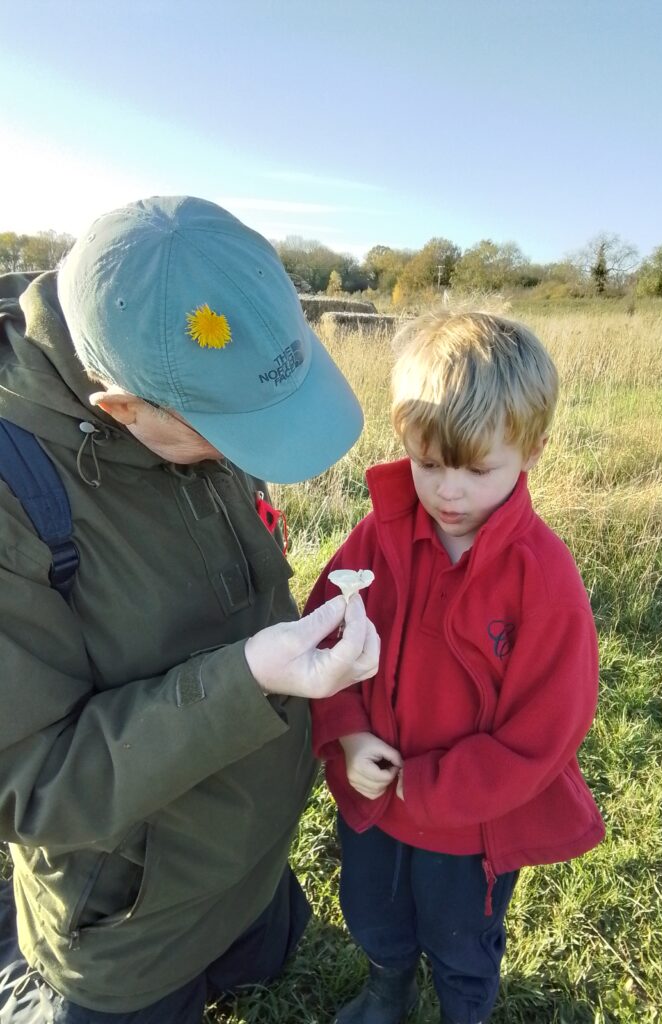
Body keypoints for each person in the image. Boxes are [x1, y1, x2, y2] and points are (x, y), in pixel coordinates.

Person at [0, 195, 380, 1022]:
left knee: (266, 955)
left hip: (248, 868)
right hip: (131, 931)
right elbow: (31, 788)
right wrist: (245, 679)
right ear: (123, 410)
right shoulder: (13, 499)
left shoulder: (187, 378)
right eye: (226, 436)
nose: (247, 460)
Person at [307, 311, 606, 1024]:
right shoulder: (375, 539)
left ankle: (463, 1010)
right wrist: (347, 735)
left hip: (473, 825)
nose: (447, 492)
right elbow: (322, 636)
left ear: (531, 451)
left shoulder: (543, 576)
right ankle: (388, 987)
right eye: (429, 463)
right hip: (373, 797)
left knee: (462, 940)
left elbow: (546, 730)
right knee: (372, 911)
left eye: (477, 470)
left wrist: (433, 784)